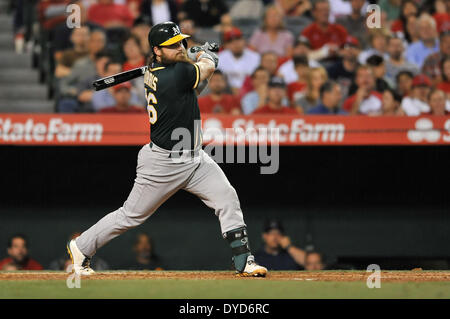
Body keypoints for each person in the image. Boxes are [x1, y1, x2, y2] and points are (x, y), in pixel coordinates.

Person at [67, 21, 267, 277]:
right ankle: (81, 246)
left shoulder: (167, 71)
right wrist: (204, 56)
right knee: (130, 216)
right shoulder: (175, 73)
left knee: (227, 197)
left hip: (195, 158)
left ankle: (244, 260)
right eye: (172, 46)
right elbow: (205, 69)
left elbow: (194, 88)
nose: (180, 47)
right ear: (157, 51)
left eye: (181, 42)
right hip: (164, 163)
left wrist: (192, 58)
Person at [217, 27, 261, 95]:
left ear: (244, 41)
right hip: (227, 93)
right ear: (226, 45)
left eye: (238, 39)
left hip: (251, 92)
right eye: (230, 41)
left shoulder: (255, 57)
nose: (235, 43)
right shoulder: (220, 58)